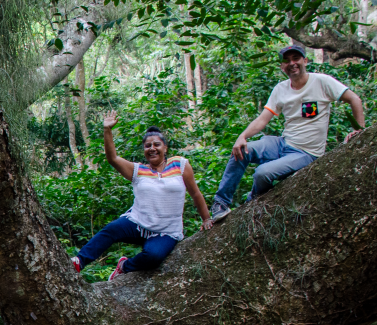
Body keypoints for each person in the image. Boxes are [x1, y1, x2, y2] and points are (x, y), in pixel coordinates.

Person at [211, 45, 365, 222]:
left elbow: (354, 99)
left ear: (305, 61)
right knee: (241, 150)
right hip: (283, 143)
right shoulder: (281, 89)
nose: (292, 63)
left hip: (306, 153)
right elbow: (262, 119)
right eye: (287, 60)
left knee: (262, 173)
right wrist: (242, 136)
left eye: (296, 58)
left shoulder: (322, 82)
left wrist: (358, 130)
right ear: (282, 66)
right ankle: (220, 203)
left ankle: (251, 200)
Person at [71, 114, 212, 281]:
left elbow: (195, 193)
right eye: (147, 146)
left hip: (167, 231)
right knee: (111, 230)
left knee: (154, 256)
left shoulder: (180, 165)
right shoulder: (138, 171)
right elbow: (112, 158)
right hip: (138, 223)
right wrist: (107, 129)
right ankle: (79, 261)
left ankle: (124, 266)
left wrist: (206, 218)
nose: (152, 148)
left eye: (156, 144)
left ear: (165, 148)